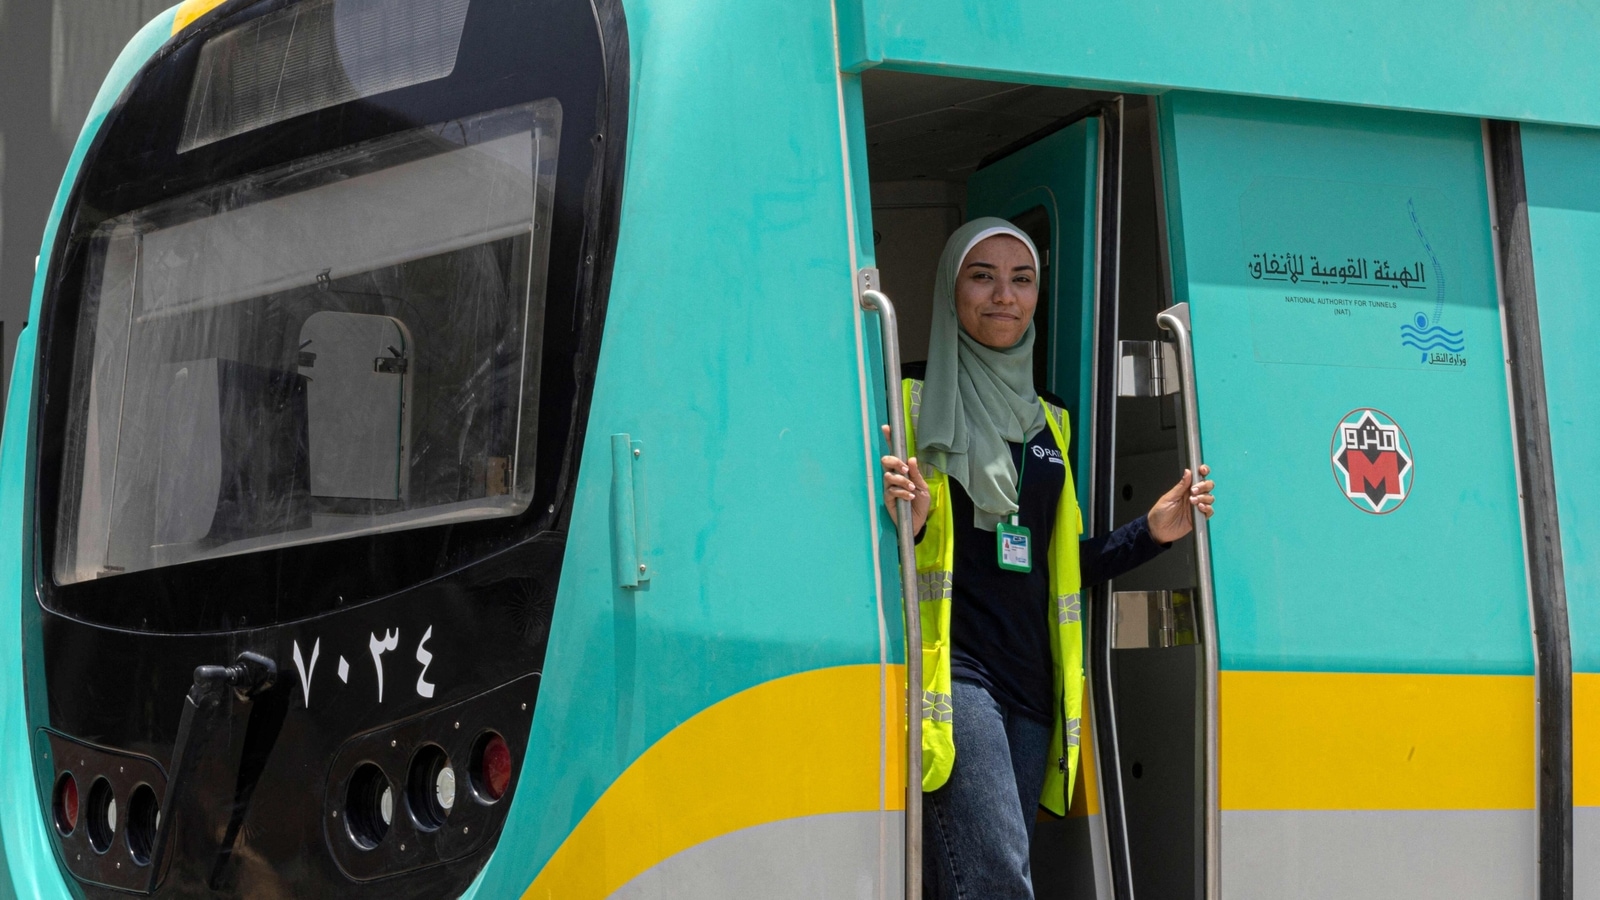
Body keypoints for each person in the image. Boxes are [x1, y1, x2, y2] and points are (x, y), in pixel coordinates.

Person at [879, 217, 1216, 900]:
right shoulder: (903, 399)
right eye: (983, 276)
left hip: (1031, 687)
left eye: (1021, 279)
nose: (1004, 295)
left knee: (977, 877)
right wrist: (905, 532)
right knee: (998, 879)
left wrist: (1149, 532)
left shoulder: (1050, 420)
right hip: (955, 678)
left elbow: (1054, 567)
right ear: (951, 289)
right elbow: (859, 555)